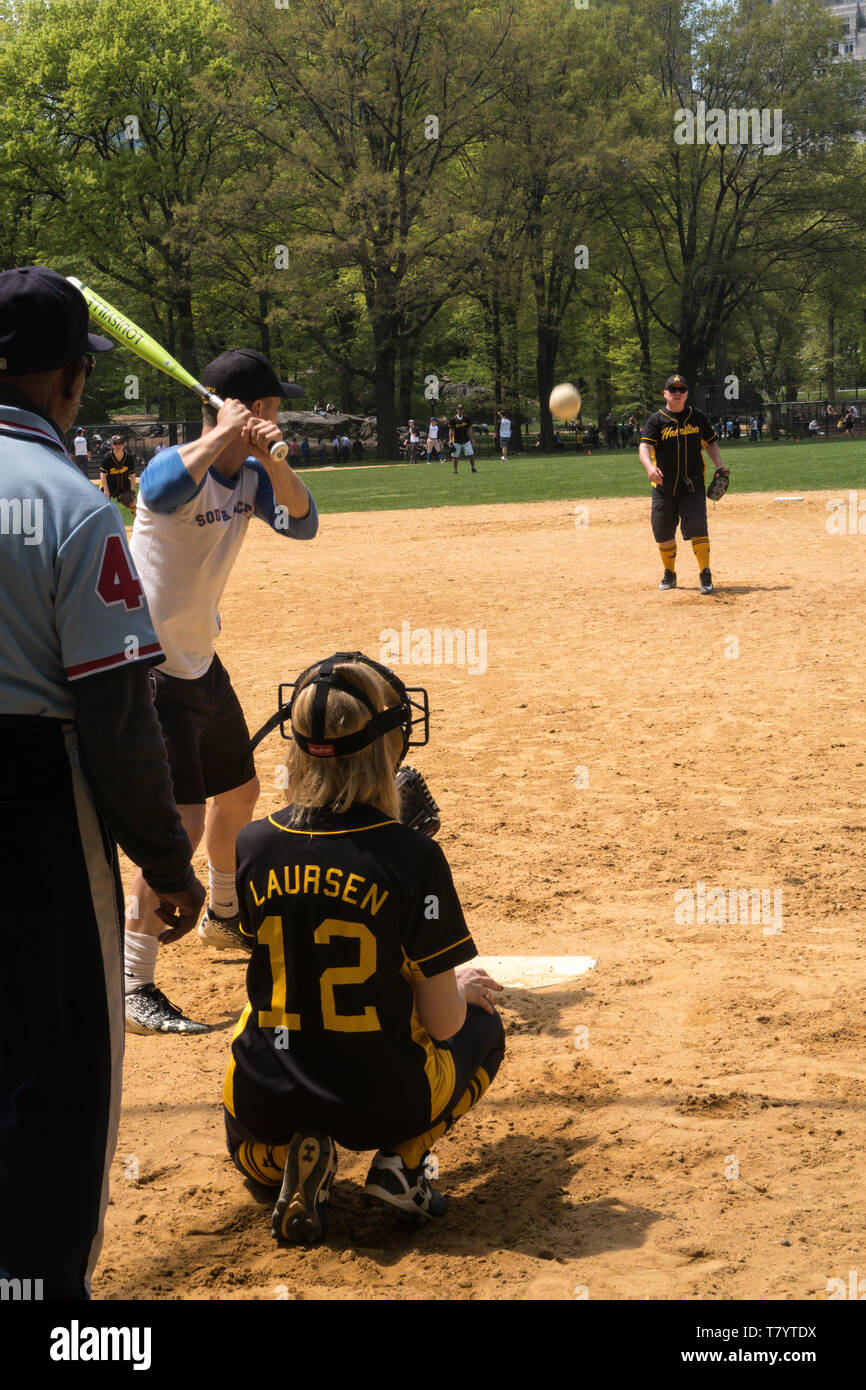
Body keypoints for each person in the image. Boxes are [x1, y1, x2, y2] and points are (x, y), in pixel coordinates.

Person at [0, 265, 204, 1299]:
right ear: (73, 381)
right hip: (30, 806)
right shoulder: (74, 508)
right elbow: (120, 720)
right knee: (59, 1078)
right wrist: (168, 863)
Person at [222, 652, 505, 1243]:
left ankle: (289, 1161)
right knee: (482, 1029)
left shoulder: (251, 842)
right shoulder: (413, 856)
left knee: (254, 1065)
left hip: (265, 1099)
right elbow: (443, 1022)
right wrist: (455, 987)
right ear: (388, 750)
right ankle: (401, 1165)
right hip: (384, 1101)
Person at [125, 349, 319, 1034]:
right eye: (274, 404)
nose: (280, 413)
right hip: (149, 668)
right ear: (253, 406)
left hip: (200, 661)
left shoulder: (251, 477)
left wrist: (272, 457)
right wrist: (220, 430)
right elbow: (155, 491)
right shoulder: (181, 468)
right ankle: (133, 981)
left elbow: (304, 522)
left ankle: (225, 916)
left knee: (238, 795)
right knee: (176, 825)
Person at [638, 373, 729, 595]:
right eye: (673, 389)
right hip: (663, 487)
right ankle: (669, 574)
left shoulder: (697, 417)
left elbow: (710, 444)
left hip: (692, 485)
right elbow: (644, 447)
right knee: (663, 531)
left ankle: (705, 574)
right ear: (665, 393)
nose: (677, 393)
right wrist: (650, 468)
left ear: (686, 394)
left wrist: (719, 465)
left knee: (698, 528)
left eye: (682, 389)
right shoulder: (656, 420)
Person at [99, 433, 142, 514]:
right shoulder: (107, 457)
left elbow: (132, 474)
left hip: (124, 482)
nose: (118, 446)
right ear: (112, 445)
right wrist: (106, 490)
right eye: (115, 443)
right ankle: (106, 525)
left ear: (124, 444)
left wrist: (132, 491)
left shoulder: (128, 457)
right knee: (103, 504)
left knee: (132, 502)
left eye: (120, 443)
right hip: (109, 483)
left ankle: (138, 523)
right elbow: (103, 474)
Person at [449, 403, 477, 474]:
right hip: (456, 440)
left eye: (461, 409)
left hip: (466, 440)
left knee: (471, 454)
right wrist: (450, 440)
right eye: (459, 409)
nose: (460, 410)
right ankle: (455, 470)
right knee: (455, 456)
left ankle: (473, 468)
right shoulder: (453, 420)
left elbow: (469, 430)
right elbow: (451, 431)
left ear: (463, 410)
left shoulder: (467, 419)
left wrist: (472, 439)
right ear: (456, 410)